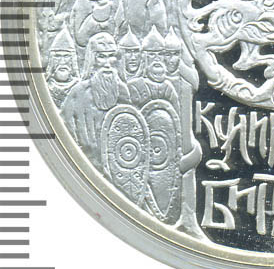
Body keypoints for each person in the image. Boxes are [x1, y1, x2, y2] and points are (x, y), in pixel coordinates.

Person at [61, 32, 130, 169]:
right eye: (101, 57)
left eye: (111, 56)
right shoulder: (78, 92)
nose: (107, 64)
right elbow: (65, 129)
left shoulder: (123, 91)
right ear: (92, 60)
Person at [128, 26, 178, 108]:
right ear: (144, 57)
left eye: (160, 54)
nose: (157, 59)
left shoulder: (168, 88)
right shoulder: (134, 86)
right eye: (152, 54)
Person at [46, 25, 80, 108]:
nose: (62, 61)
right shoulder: (45, 87)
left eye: (66, 56)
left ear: (72, 60)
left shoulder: (80, 88)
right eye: (58, 56)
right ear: (52, 60)